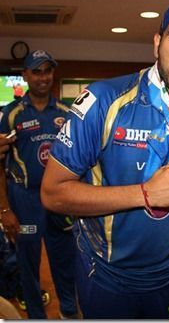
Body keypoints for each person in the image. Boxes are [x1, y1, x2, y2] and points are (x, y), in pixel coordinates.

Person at [40, 0, 169, 319]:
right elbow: (53, 193)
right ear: (157, 43)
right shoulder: (104, 100)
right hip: (107, 278)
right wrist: (145, 194)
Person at [0, 50, 79, 319]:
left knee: (65, 262)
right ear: (25, 75)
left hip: (59, 200)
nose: (43, 77)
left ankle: (69, 313)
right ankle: (36, 316)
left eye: (47, 71)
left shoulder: (67, 114)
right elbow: (0, 164)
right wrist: (5, 210)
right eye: (36, 71)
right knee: (27, 265)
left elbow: (77, 160)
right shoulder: (12, 114)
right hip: (25, 200)